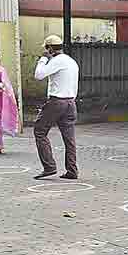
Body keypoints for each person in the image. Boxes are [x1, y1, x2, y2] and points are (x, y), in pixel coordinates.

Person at [33, 35, 80, 180]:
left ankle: (49, 167)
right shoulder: (71, 61)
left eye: (46, 49)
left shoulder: (56, 61)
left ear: (50, 49)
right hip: (71, 102)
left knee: (40, 131)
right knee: (69, 139)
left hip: (57, 101)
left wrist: (43, 59)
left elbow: (39, 75)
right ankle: (72, 170)